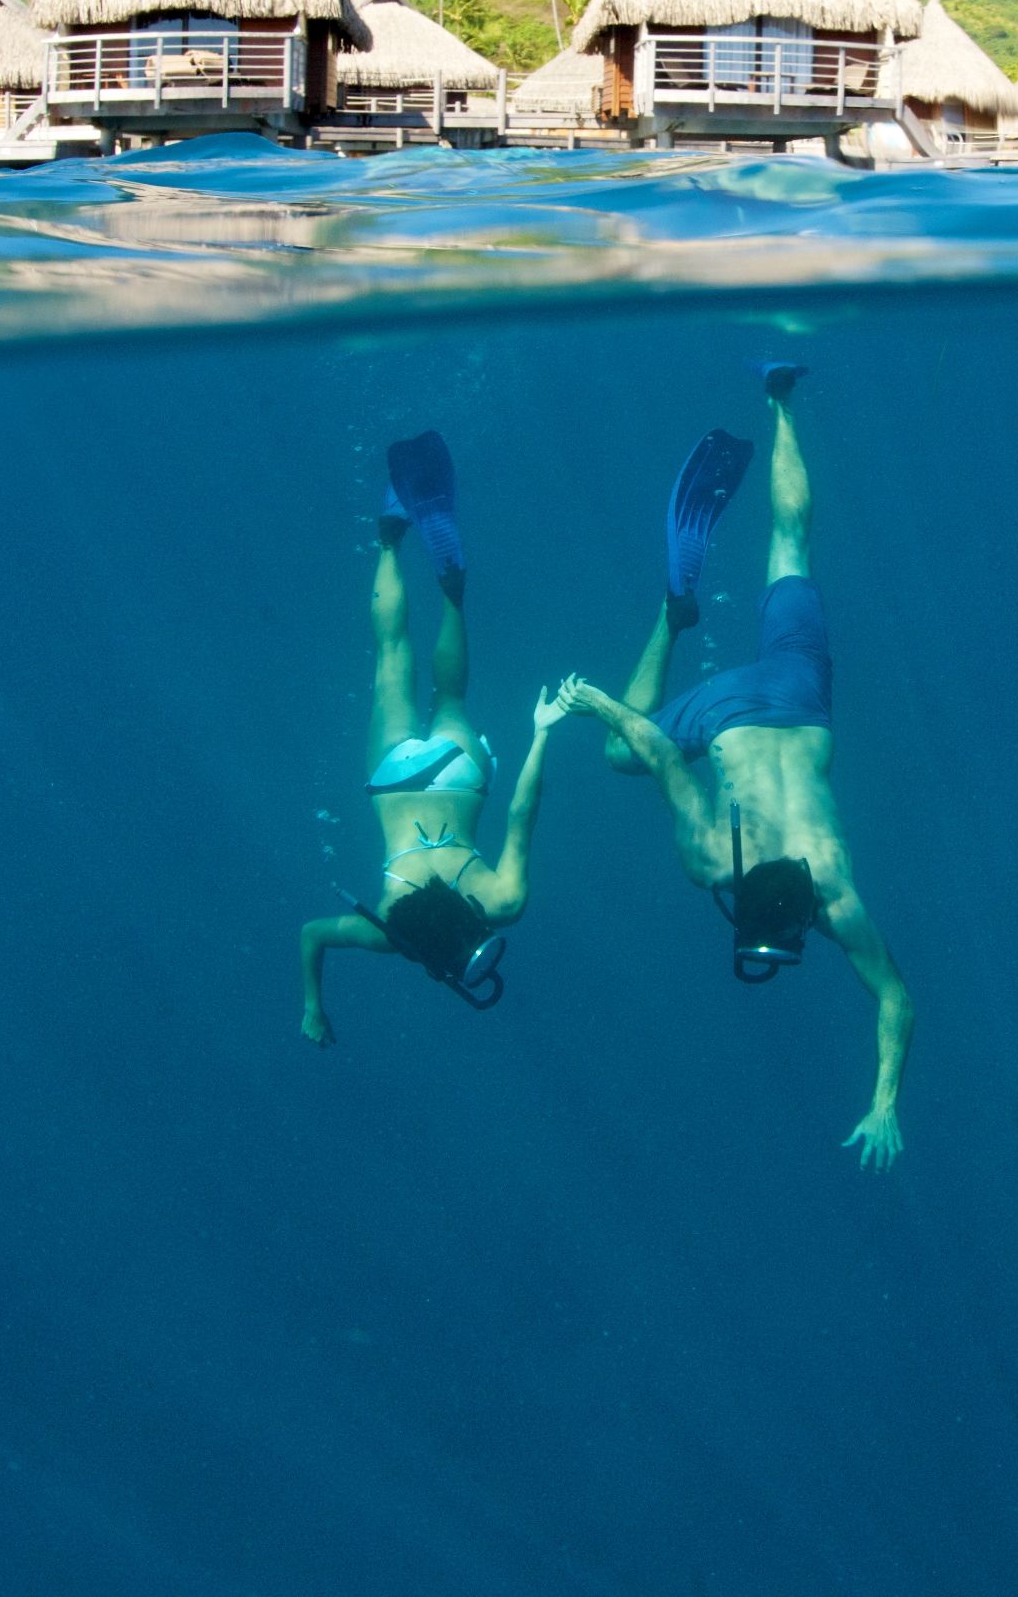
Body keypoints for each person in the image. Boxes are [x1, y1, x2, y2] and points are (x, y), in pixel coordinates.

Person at [566, 367, 915, 1169]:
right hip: (728, 713)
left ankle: (781, 398)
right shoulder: (721, 864)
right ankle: (673, 614)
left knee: (791, 547)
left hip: (797, 696)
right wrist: (596, 705)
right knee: (617, 750)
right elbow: (653, 751)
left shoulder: (835, 893)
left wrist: (886, 1101)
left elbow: (898, 998)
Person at [300, 433, 564, 1044]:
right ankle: (390, 540)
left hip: (458, 774)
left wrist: (542, 733)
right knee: (391, 655)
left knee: (450, 698)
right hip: (395, 781)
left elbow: (523, 812)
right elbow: (312, 934)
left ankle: (452, 594)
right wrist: (313, 1007)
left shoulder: (502, 903)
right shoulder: (389, 931)